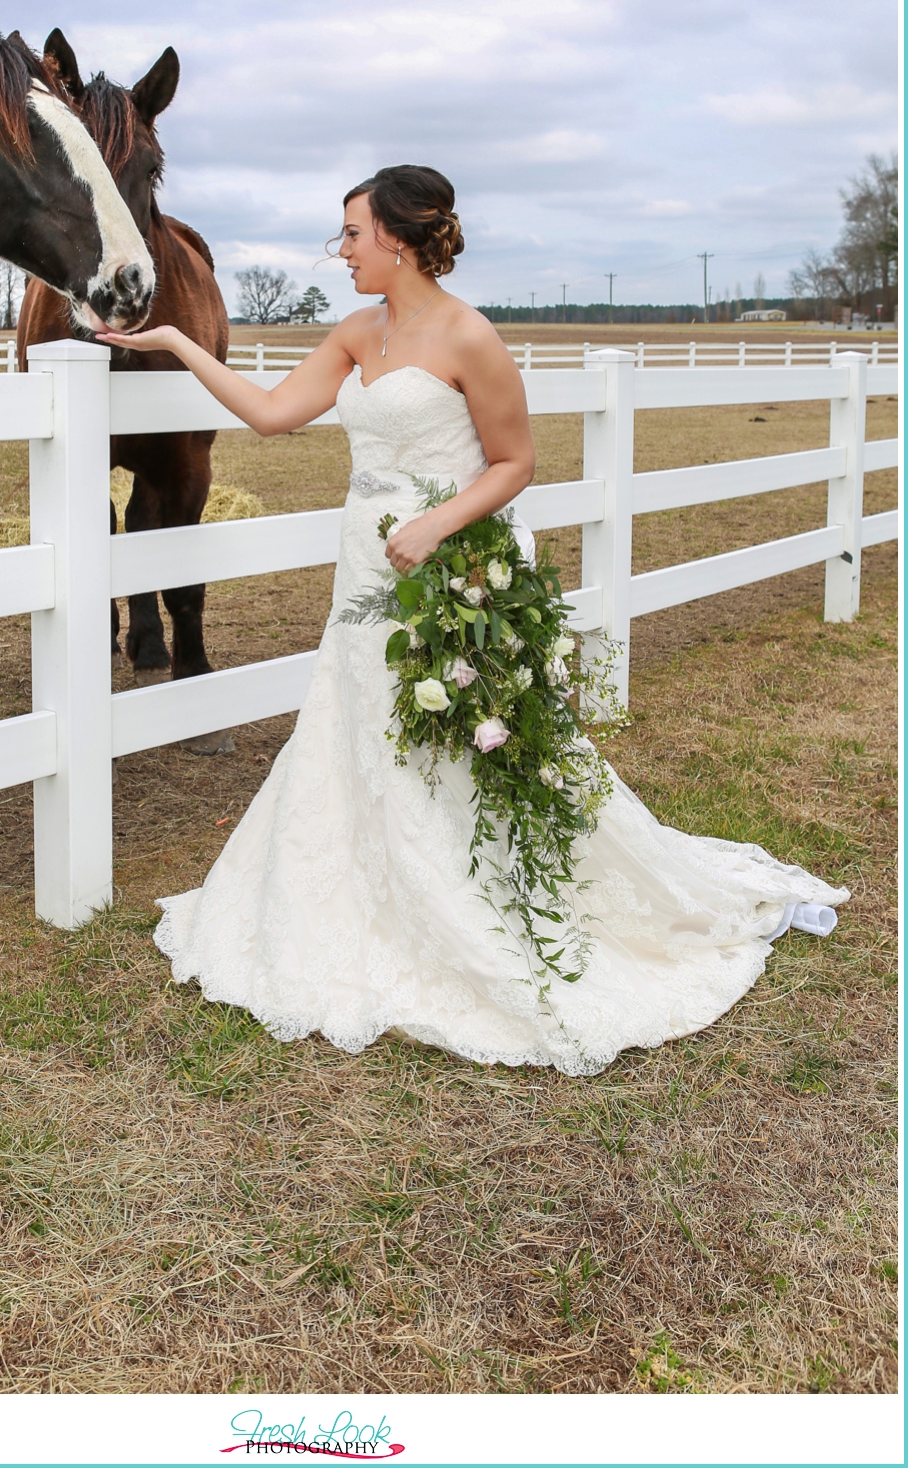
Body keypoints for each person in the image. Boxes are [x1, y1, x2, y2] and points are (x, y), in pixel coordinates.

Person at [98, 165, 847, 1076]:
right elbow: (268, 414)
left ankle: (476, 895)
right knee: (360, 722)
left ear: (401, 239)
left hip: (447, 567)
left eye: (351, 235)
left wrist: (435, 524)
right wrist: (176, 337)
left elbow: (514, 461)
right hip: (362, 562)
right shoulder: (354, 332)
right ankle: (368, 897)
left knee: (453, 738)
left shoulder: (470, 336)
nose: (341, 252)